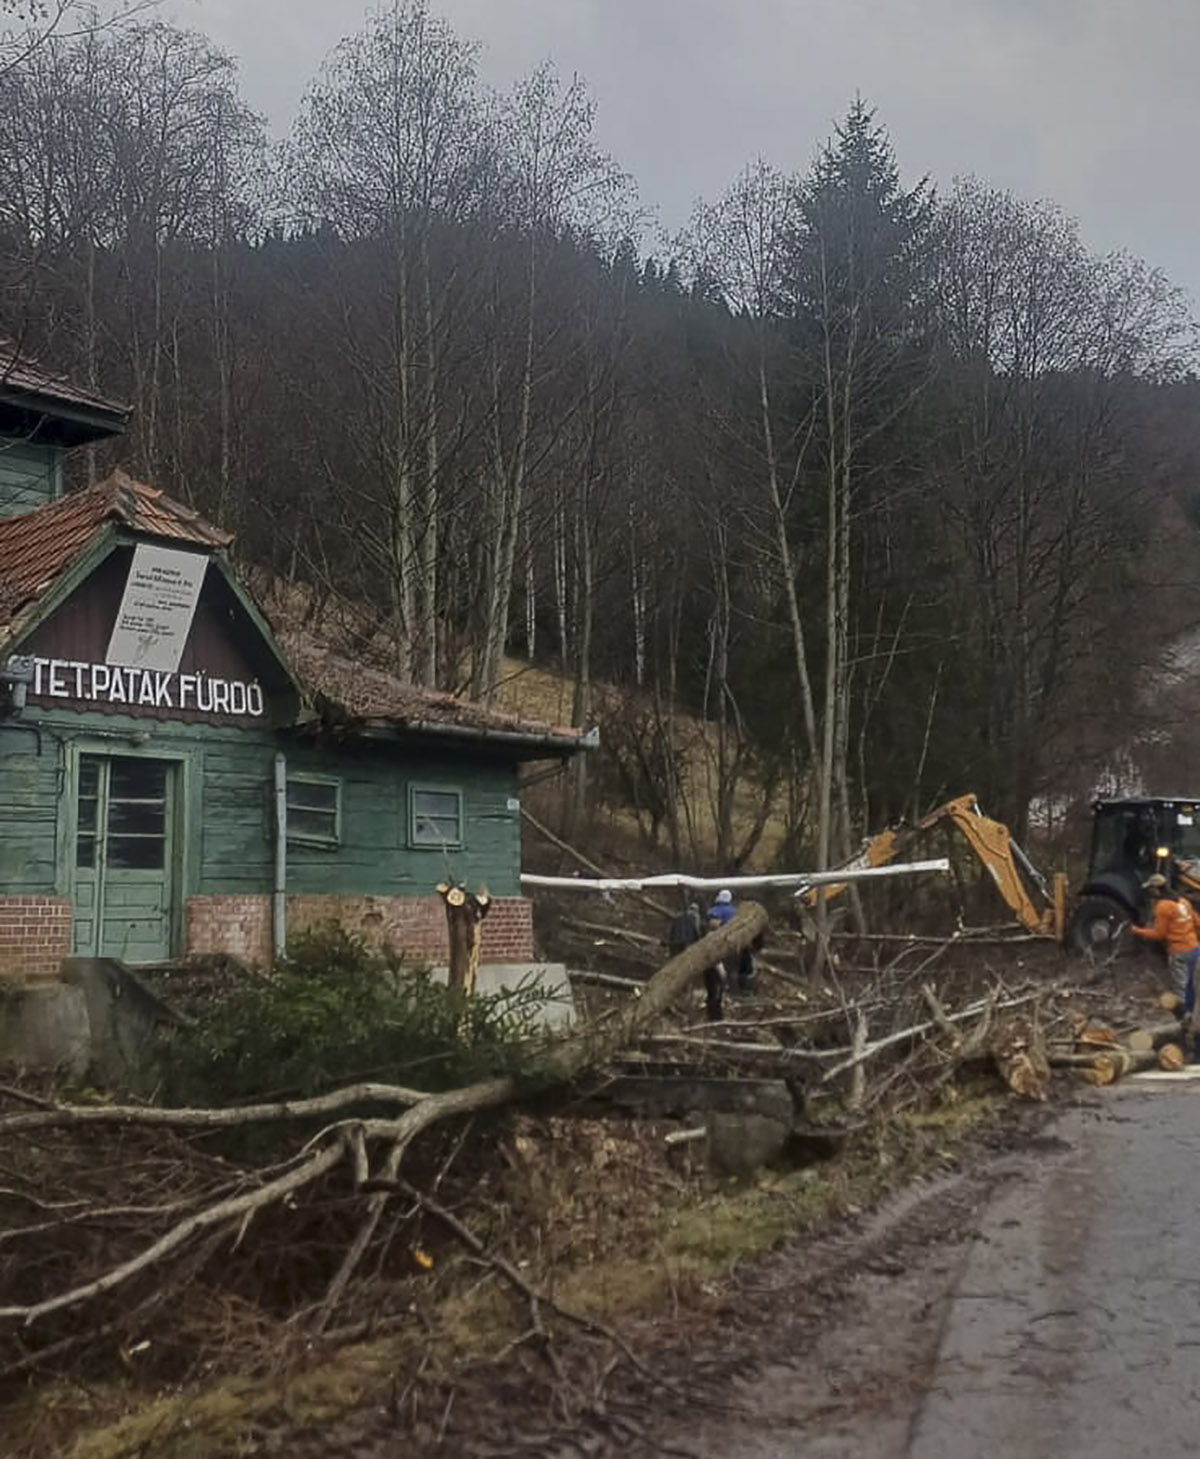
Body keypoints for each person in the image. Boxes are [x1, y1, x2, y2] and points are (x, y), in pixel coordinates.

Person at [1130, 873, 1200, 1004]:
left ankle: (1185, 1017)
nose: (1150, 892)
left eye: (1150, 889)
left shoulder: (1163, 906)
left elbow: (1159, 934)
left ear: (1156, 889)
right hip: (1195, 948)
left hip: (1179, 951)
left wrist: (1137, 931)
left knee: (1181, 988)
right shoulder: (1184, 902)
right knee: (1194, 984)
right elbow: (1198, 923)